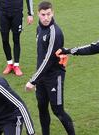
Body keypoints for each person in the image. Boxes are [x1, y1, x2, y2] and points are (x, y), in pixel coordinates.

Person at [25, 1, 75, 135]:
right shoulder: (39, 28)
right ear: (38, 14)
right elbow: (40, 55)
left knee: (58, 110)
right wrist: (38, 77)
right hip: (41, 76)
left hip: (54, 76)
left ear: (52, 13)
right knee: (42, 108)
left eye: (48, 14)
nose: (46, 18)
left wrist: (33, 80)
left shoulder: (55, 33)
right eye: (43, 14)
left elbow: (48, 60)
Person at [0, 0, 34, 76]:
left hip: (17, 13)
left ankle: (16, 65)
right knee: (4, 40)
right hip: (3, 13)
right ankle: (9, 64)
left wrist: (30, 14)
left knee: (16, 39)